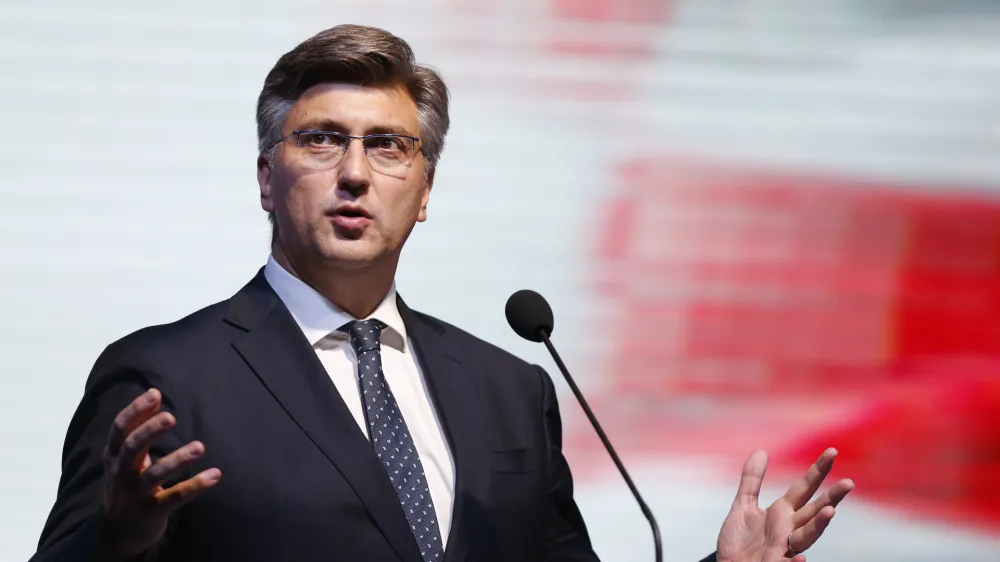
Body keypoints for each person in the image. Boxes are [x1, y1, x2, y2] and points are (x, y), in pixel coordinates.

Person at [30, 24, 853, 562]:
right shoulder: (166, 377)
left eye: (388, 147)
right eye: (321, 141)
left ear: (424, 193)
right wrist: (119, 538)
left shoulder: (508, 388)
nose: (355, 172)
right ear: (265, 180)